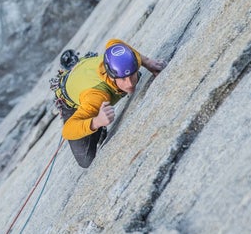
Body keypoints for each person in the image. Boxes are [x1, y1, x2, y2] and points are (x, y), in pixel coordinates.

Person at [52, 39, 166, 168]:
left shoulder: (128, 64)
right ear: (111, 76)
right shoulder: (95, 97)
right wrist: (96, 122)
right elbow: (67, 130)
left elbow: (113, 43)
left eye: (131, 76)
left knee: (134, 78)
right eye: (123, 78)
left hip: (89, 67)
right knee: (86, 159)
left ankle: (75, 63)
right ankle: (71, 68)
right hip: (71, 98)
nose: (129, 83)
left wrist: (147, 62)